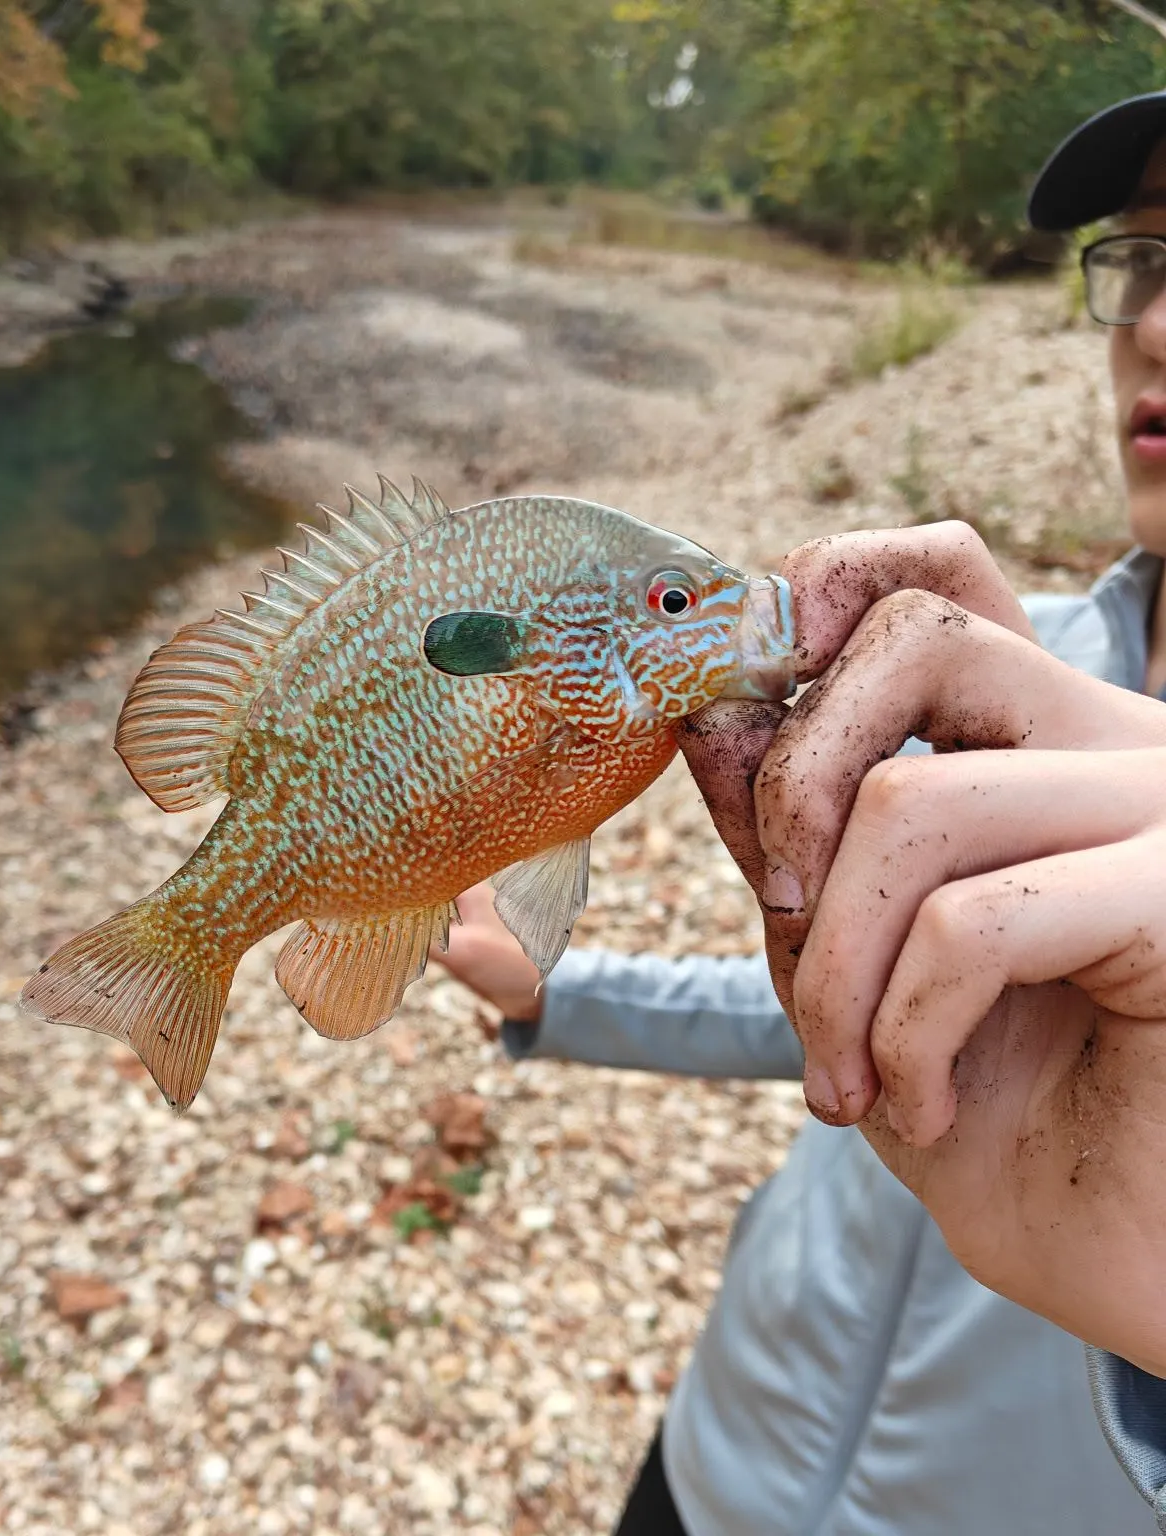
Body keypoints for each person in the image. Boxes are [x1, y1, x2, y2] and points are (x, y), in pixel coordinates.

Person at [432, 91, 1166, 1535]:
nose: (1151, 322)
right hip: (721, 1458)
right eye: (1143, 254)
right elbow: (831, 1013)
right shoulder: (1010, 673)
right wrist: (559, 994)